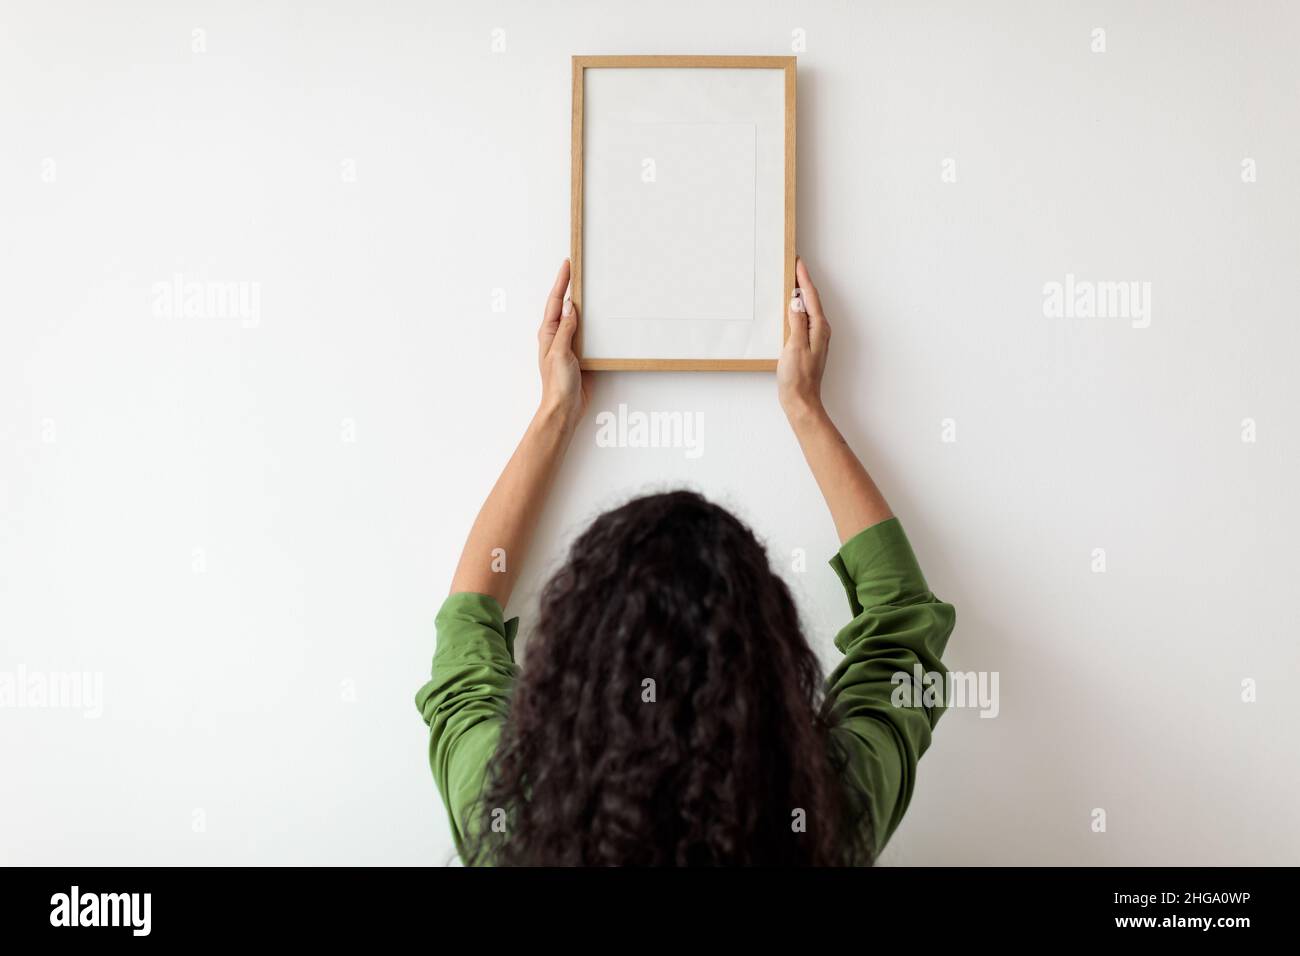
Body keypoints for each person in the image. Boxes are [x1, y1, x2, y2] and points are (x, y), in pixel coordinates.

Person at [416, 258, 955, 865]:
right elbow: (902, 625)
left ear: (570, 658)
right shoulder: (828, 813)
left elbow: (465, 635)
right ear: (773, 658)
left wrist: (555, 411)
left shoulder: (509, 819)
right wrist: (805, 407)